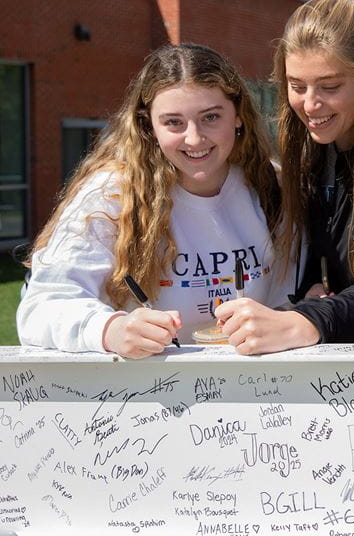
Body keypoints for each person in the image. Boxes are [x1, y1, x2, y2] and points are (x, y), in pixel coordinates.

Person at [17, 43, 295, 358]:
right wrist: (112, 330)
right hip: (147, 396)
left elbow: (295, 289)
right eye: (173, 122)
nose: (194, 138)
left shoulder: (272, 185)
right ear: (149, 125)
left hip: (257, 392)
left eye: (211, 117)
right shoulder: (111, 195)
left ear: (238, 116)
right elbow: (40, 308)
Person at [215, 0, 354, 353]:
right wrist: (312, 290)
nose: (311, 104)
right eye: (297, 86)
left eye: (330, 87)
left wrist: (303, 320)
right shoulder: (315, 151)